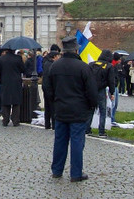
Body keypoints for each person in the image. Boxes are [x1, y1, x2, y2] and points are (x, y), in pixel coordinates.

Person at [44, 36, 98, 182]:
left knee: (60, 141)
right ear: (76, 49)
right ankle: (76, 173)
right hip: (79, 110)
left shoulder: (54, 66)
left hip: (60, 109)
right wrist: (91, 105)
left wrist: (54, 102)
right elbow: (92, 91)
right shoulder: (83, 67)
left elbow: (47, 88)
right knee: (77, 142)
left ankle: (57, 170)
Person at [0, 48, 25, 127]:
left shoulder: (0, 59)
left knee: (5, 101)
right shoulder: (18, 58)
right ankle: (15, 121)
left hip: (5, 82)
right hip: (16, 82)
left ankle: (5, 120)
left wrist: (1, 80)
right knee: (16, 102)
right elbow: (23, 69)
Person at [88, 49, 115, 136]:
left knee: (90, 109)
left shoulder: (92, 64)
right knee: (102, 110)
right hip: (101, 90)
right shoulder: (109, 66)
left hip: (91, 90)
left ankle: (87, 128)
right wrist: (112, 92)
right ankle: (101, 130)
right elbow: (111, 81)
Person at [42, 51, 60, 129]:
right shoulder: (53, 65)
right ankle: (54, 125)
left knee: (47, 106)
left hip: (45, 87)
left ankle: (47, 124)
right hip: (51, 88)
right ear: (54, 57)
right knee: (53, 107)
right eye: (57, 56)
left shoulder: (46, 64)